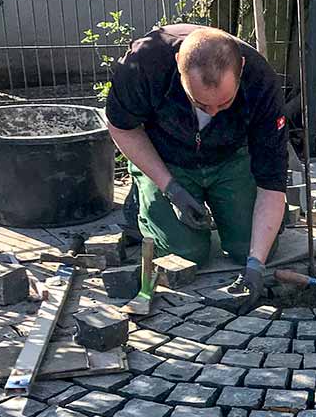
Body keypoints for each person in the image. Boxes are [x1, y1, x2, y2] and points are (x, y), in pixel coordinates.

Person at [105, 23, 288, 301]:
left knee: (251, 248)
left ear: (240, 67)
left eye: (224, 103)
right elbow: (121, 127)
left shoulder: (261, 82)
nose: (213, 113)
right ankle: (141, 200)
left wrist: (255, 266)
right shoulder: (145, 63)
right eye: (200, 104)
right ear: (178, 63)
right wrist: (171, 189)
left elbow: (272, 181)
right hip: (166, 157)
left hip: (230, 156)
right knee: (185, 253)